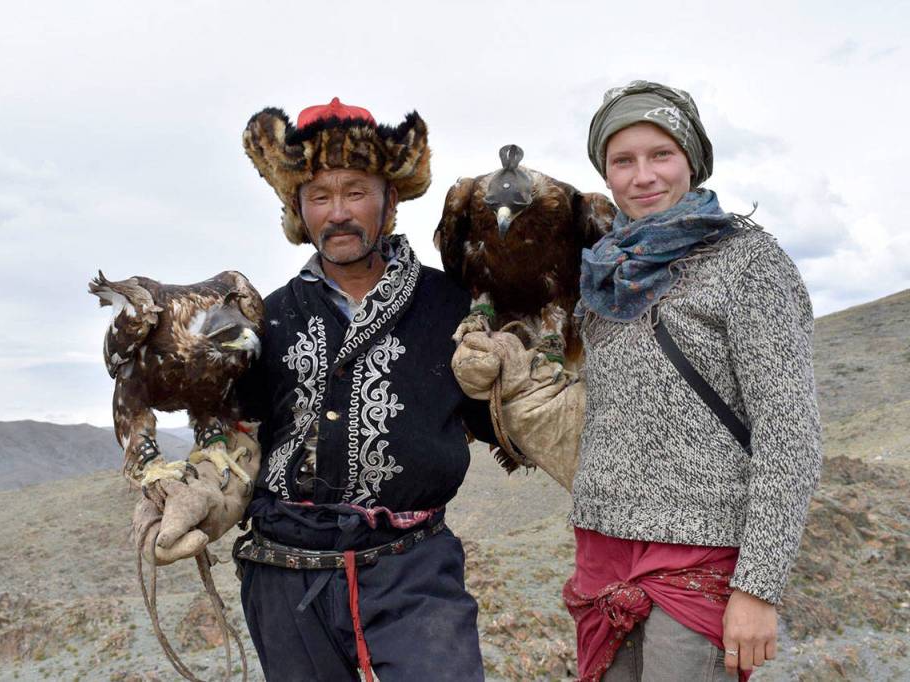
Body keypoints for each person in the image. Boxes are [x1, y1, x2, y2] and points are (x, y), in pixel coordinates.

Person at [452, 80, 822, 681]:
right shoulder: (603, 274)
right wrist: (512, 367)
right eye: (623, 161)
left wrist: (759, 587)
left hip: (702, 560)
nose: (643, 176)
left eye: (661, 155)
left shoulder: (749, 264)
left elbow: (789, 436)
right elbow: (592, 398)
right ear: (605, 171)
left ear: (692, 161)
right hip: (602, 552)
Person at [228, 97, 496, 681]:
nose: (338, 212)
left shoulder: (453, 306)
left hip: (413, 571)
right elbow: (237, 434)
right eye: (319, 197)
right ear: (298, 209)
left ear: (390, 200)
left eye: (355, 192)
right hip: (284, 572)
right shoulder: (267, 317)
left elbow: (507, 418)